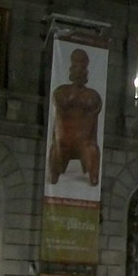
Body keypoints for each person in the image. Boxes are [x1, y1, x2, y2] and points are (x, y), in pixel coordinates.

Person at [48, 47, 102, 185]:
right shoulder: (61, 92)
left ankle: (92, 176)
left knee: (92, 151)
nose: (79, 69)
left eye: (81, 65)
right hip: (64, 141)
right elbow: (60, 105)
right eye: (76, 64)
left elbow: (94, 111)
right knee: (56, 151)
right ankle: (55, 174)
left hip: (85, 142)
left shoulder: (92, 96)